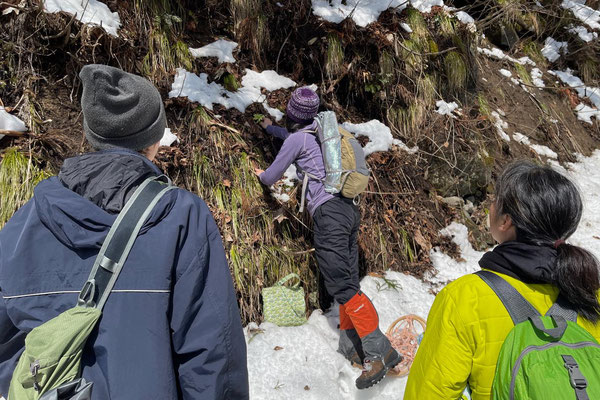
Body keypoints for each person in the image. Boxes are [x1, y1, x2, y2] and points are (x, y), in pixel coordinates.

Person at [0, 64, 249, 400]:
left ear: (91, 134)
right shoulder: (180, 216)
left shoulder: (25, 221)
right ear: (155, 138)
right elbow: (212, 352)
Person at [404, 161, 600, 399]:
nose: (491, 205)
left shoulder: (464, 299)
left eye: (495, 199)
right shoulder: (589, 292)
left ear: (505, 221)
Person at [256, 87, 401, 389]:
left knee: (340, 285)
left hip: (329, 215)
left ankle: (379, 350)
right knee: (346, 282)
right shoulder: (321, 135)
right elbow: (293, 138)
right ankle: (353, 347)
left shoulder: (298, 139)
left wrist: (259, 173)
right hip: (348, 211)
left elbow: (271, 177)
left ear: (292, 113)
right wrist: (272, 129)